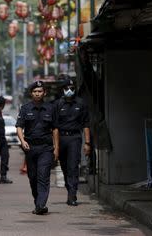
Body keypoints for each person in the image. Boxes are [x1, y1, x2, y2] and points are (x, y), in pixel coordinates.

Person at [16, 81, 59, 215]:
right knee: (32, 177)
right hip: (30, 148)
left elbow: (55, 129)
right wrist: (22, 140)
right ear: (31, 93)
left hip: (46, 148)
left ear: (44, 93)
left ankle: (41, 205)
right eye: (35, 91)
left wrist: (56, 148)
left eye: (40, 91)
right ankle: (38, 202)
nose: (37, 93)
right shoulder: (25, 108)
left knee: (43, 175)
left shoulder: (51, 108)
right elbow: (19, 127)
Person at [55, 78, 91, 206]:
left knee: (73, 167)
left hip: (75, 138)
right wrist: (55, 146)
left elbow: (86, 124)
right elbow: (54, 127)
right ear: (63, 90)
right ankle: (69, 188)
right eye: (66, 89)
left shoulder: (81, 104)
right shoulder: (58, 104)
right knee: (65, 167)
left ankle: (72, 195)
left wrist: (87, 143)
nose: (69, 91)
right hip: (61, 138)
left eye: (72, 88)